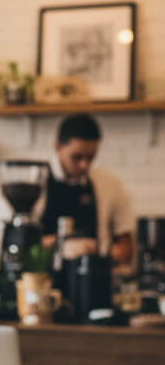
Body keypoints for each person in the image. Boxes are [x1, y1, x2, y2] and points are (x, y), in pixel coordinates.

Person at [38, 114, 135, 267]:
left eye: (90, 158)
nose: (84, 165)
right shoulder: (35, 182)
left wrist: (118, 251)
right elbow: (23, 243)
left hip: (93, 273)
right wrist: (60, 245)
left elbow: (125, 240)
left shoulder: (109, 184)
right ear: (58, 146)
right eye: (76, 157)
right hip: (42, 276)